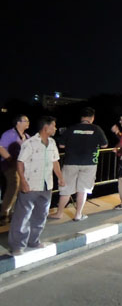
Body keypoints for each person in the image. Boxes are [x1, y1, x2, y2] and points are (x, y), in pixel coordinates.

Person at [8, 116, 64, 255]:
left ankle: (33, 241)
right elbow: (20, 162)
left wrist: (60, 178)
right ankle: (17, 245)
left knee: (41, 215)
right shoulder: (30, 143)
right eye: (54, 126)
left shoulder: (52, 143)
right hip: (31, 183)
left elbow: (55, 162)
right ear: (46, 127)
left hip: (46, 185)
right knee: (23, 215)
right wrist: (23, 181)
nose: (55, 128)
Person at [50, 107, 108, 221]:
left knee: (66, 189)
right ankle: (78, 215)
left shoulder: (72, 128)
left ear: (81, 117)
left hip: (71, 162)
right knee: (83, 189)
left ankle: (59, 213)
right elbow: (104, 145)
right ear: (92, 118)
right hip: (89, 163)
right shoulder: (96, 129)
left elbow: (61, 145)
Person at [0, 115, 30, 226]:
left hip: (21, 166)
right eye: (25, 120)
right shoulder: (9, 134)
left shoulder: (27, 136)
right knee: (14, 185)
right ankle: (4, 213)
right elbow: (1, 148)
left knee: (18, 189)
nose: (28, 122)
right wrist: (10, 160)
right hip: (9, 165)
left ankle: (11, 212)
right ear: (18, 122)